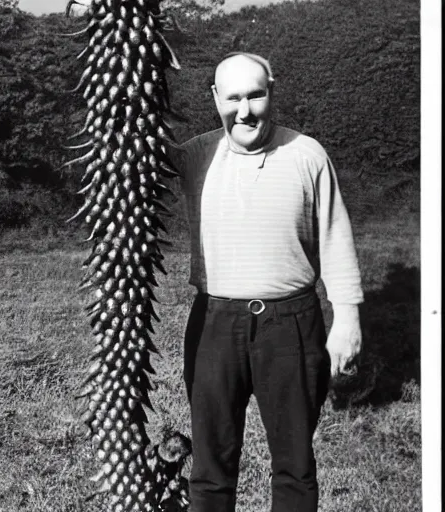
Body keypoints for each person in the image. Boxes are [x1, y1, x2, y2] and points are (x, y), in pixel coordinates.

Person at [169, 52, 363, 512]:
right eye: (233, 98)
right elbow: (130, 149)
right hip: (214, 324)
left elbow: (336, 236)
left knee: (295, 465)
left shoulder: (307, 153)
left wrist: (348, 318)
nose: (245, 110)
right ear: (215, 98)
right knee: (210, 467)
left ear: (271, 91)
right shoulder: (195, 154)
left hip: (292, 324)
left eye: (255, 95)